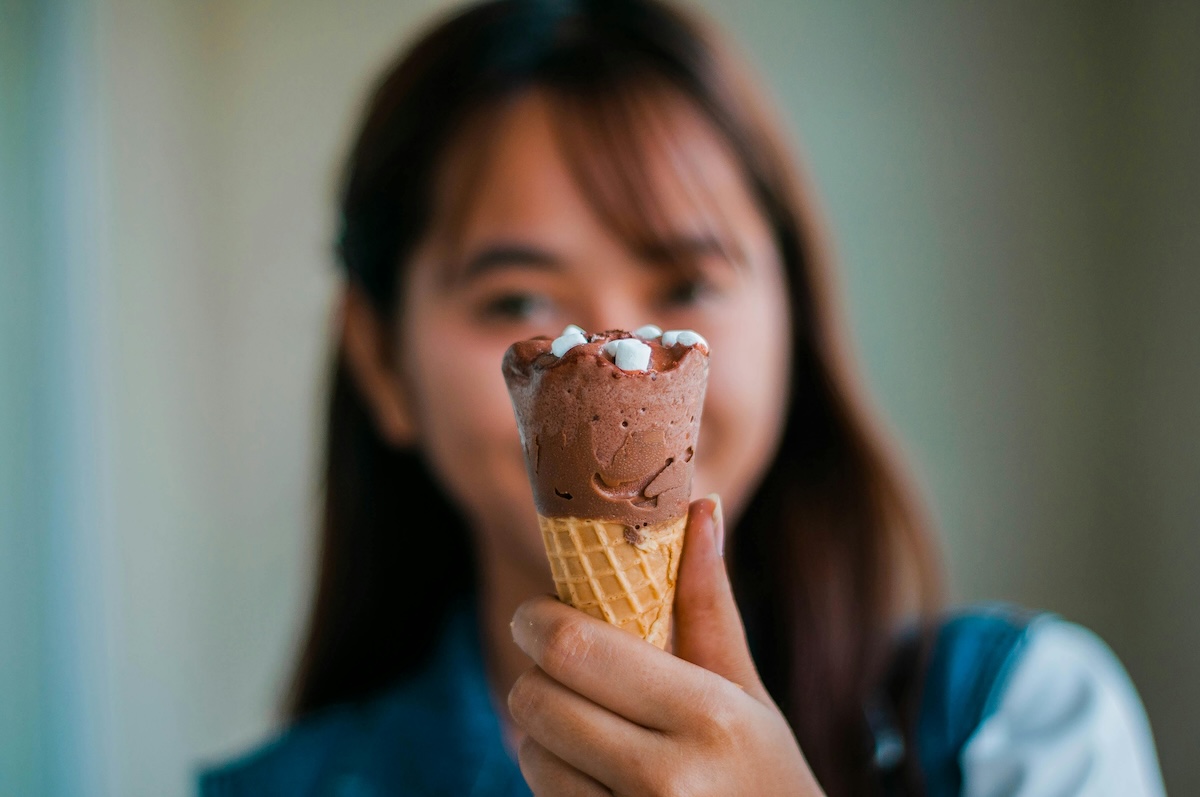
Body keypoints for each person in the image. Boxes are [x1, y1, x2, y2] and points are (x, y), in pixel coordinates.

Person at [197, 0, 1167, 794]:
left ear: (796, 313)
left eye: (688, 282)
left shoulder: (1021, 722)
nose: (618, 355)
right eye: (516, 297)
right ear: (382, 364)